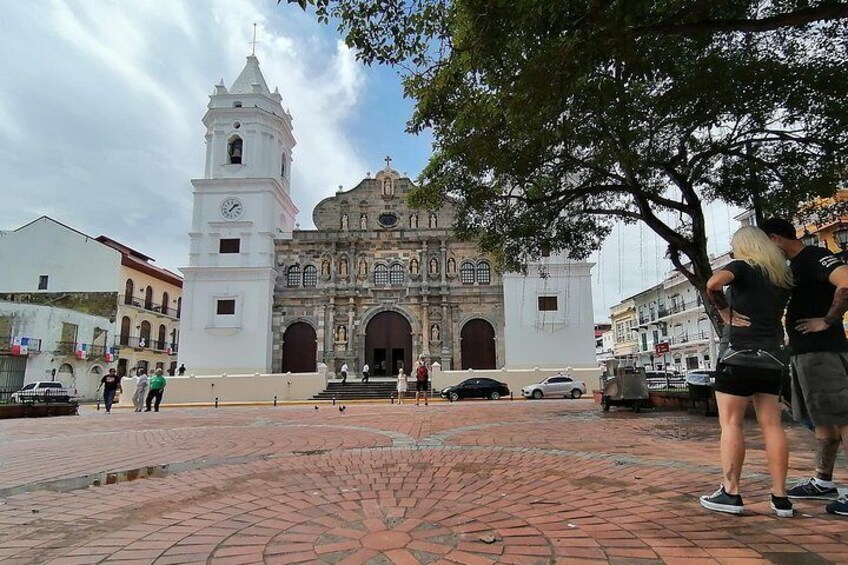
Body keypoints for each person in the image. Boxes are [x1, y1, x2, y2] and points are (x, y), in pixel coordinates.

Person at [699, 226, 794, 518]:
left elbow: (713, 283)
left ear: (744, 246)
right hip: (773, 358)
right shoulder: (782, 276)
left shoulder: (743, 266)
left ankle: (732, 491)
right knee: (772, 426)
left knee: (731, 424)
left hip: (739, 356)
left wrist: (725, 313)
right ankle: (780, 497)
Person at [761, 217, 848, 517]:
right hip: (805, 353)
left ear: (774, 239)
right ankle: (823, 481)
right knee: (822, 418)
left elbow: (846, 281)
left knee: (843, 416)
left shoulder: (812, 256)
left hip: (823, 352)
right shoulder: (794, 266)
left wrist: (827, 321)